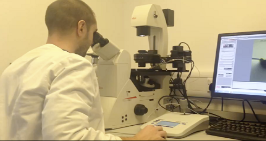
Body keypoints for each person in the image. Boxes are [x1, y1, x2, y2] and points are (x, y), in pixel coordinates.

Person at [0, 0, 167, 140]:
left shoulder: (15, 66)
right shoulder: (73, 64)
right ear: (81, 27)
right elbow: (68, 137)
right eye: (93, 32)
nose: (91, 42)